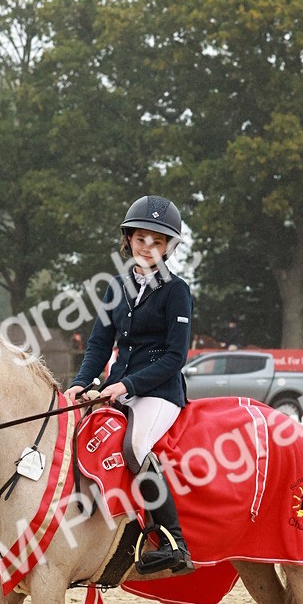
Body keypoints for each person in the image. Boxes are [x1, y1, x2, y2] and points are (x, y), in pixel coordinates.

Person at [67, 195, 195, 576]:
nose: (148, 247)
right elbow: (99, 344)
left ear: (169, 247)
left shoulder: (177, 291)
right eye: (141, 239)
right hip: (117, 387)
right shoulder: (116, 286)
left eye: (157, 241)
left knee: (134, 446)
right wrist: (80, 382)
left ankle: (173, 542)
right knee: (78, 436)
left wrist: (126, 387)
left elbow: (176, 357)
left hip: (159, 392)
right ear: (129, 240)